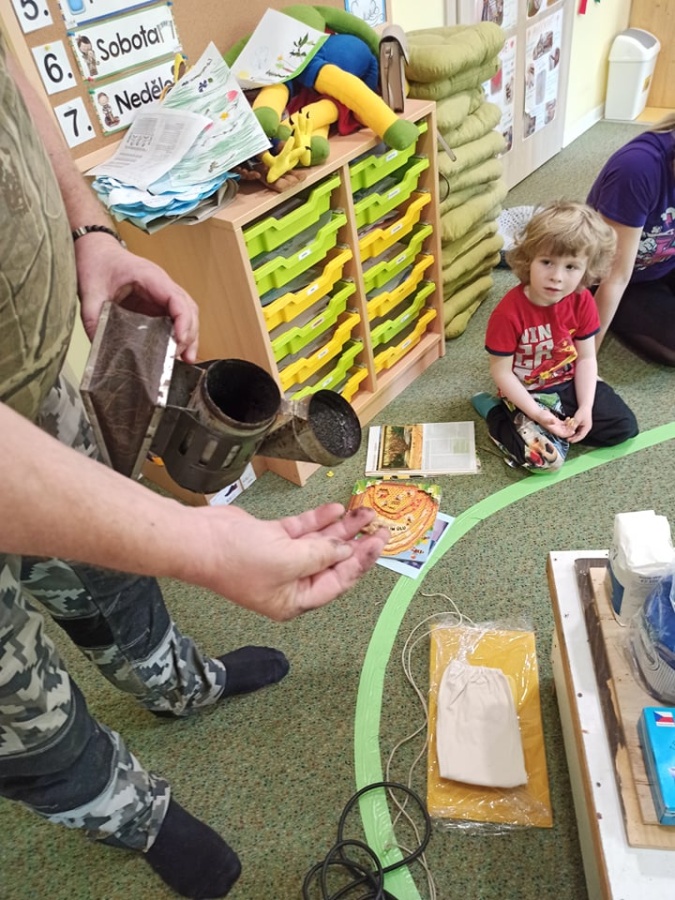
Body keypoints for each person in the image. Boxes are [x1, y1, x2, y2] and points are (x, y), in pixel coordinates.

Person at [0, 35, 389, 900]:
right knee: (21, 711)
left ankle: (179, 685)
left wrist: (88, 229)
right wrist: (200, 544)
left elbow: (11, 82)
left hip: (26, 382)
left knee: (111, 572)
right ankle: (128, 812)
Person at [472, 201, 638, 473]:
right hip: (527, 392)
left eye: (571, 266)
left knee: (624, 427)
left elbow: (586, 358)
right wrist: (537, 414)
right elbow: (501, 373)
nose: (557, 277)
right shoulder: (507, 314)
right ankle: (495, 412)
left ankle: (555, 429)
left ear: (587, 270)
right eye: (547, 262)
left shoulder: (582, 300)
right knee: (543, 462)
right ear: (529, 259)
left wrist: (585, 408)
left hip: (567, 382)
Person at [587, 115, 675, 366]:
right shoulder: (636, 168)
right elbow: (614, 276)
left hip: (664, 262)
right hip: (619, 276)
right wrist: (585, 360)